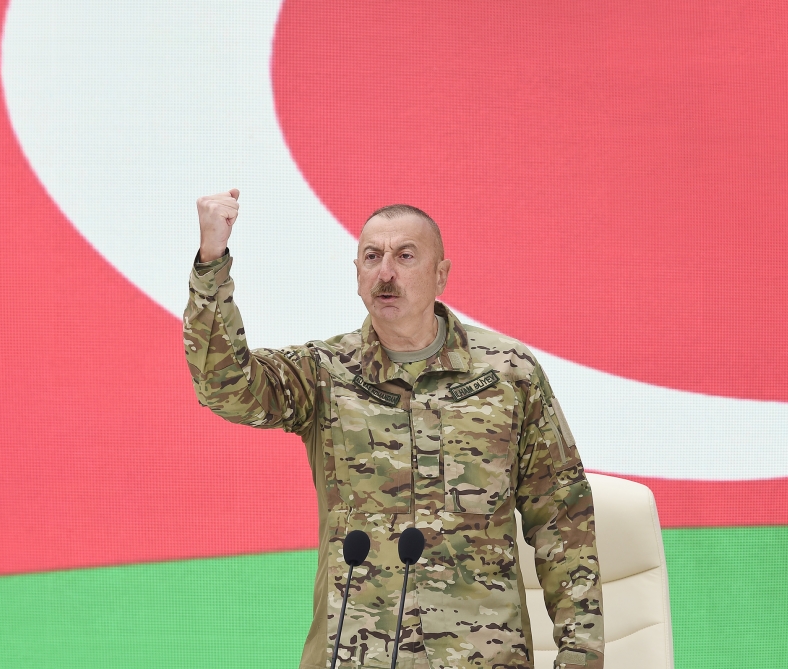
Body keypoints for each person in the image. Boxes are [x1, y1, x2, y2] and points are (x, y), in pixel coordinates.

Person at [183, 189, 605, 669]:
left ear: (441, 275)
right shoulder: (325, 373)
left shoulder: (508, 373)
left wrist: (581, 655)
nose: (386, 273)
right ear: (357, 275)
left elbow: (563, 518)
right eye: (372, 257)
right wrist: (211, 262)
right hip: (357, 652)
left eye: (405, 256)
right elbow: (224, 387)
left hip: (484, 656)